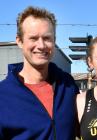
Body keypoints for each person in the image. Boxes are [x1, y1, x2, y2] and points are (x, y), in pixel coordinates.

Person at [0, 6, 79, 140]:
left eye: (47, 38)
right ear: (19, 41)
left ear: (54, 40)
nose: (41, 45)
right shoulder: (3, 95)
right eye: (33, 38)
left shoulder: (67, 85)